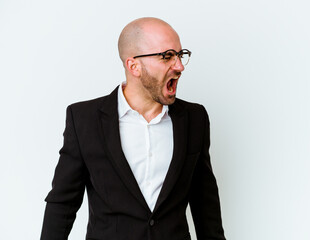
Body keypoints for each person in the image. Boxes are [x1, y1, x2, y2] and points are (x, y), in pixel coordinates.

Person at [40, 17, 226, 240]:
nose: (179, 66)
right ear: (133, 66)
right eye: (167, 56)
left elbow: (205, 204)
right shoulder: (84, 119)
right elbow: (62, 204)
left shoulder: (195, 118)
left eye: (180, 54)